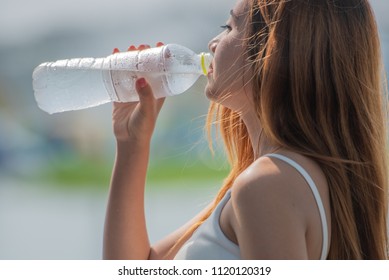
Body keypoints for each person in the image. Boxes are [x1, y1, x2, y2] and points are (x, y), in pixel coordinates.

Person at [103, 0, 389, 260]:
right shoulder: (277, 179)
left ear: (272, 51)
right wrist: (131, 142)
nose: (213, 43)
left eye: (229, 27)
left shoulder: (266, 186)